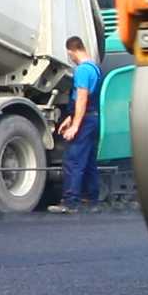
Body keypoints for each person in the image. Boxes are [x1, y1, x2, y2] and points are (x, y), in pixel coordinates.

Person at [56, 33, 102, 211]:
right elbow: (88, 99)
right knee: (89, 161)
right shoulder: (95, 68)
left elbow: (82, 98)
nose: (71, 59)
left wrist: (75, 125)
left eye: (70, 55)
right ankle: (91, 200)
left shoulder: (82, 70)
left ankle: (70, 202)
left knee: (73, 160)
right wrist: (70, 117)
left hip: (85, 120)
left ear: (73, 51)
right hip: (93, 118)